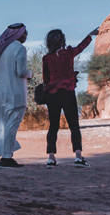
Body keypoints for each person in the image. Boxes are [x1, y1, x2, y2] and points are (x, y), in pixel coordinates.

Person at [42, 26, 99, 168]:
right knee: (74, 125)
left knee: (53, 126)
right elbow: (81, 47)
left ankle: (51, 158)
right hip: (67, 92)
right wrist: (90, 36)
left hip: (52, 94)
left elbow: (46, 79)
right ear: (62, 40)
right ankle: (78, 157)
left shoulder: (46, 58)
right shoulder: (68, 53)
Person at [0, 23, 32, 169]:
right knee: (12, 125)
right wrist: (31, 74)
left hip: (0, 93)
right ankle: (6, 158)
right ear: (19, 34)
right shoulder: (19, 48)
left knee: (2, 125)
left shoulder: (1, 49)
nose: (26, 36)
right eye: (25, 33)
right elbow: (21, 71)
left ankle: (6, 155)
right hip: (15, 93)